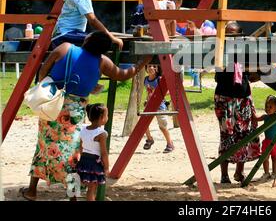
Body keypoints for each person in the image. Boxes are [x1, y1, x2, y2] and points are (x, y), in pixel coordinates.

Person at [20, 31, 151, 201]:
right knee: (73, 153)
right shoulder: (102, 62)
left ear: (89, 39)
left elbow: (43, 72)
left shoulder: (65, 48)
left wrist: (47, 91)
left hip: (51, 107)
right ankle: (73, 197)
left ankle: (32, 191)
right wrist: (144, 61)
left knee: (44, 146)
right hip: (74, 113)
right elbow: (124, 74)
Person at [214, 22, 260, 184]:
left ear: (240, 35)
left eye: (233, 34)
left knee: (244, 135)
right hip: (224, 98)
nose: (230, 37)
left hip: (243, 97)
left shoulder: (245, 51)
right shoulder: (218, 50)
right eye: (227, 33)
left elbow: (254, 75)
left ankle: (238, 173)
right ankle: (224, 174)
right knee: (226, 135)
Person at [77, 103, 109, 201]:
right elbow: (104, 153)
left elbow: (81, 147)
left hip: (83, 161)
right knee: (91, 188)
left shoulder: (83, 130)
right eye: (106, 115)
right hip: (94, 163)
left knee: (89, 187)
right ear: (101, 118)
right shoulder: (101, 134)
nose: (107, 117)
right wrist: (107, 167)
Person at [142, 64, 175, 153]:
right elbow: (148, 92)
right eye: (149, 66)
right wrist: (147, 99)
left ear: (157, 69)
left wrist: (158, 94)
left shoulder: (159, 79)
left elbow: (168, 91)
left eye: (153, 66)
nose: (151, 68)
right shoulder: (146, 79)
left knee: (162, 127)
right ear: (146, 68)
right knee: (143, 124)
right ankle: (149, 139)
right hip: (149, 105)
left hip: (159, 106)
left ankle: (170, 143)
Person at [253, 95, 276, 181]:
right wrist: (251, 110)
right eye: (266, 106)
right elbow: (256, 118)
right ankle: (266, 173)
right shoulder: (265, 117)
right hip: (267, 141)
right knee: (265, 158)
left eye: (270, 107)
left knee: (275, 158)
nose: (268, 108)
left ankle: (274, 173)